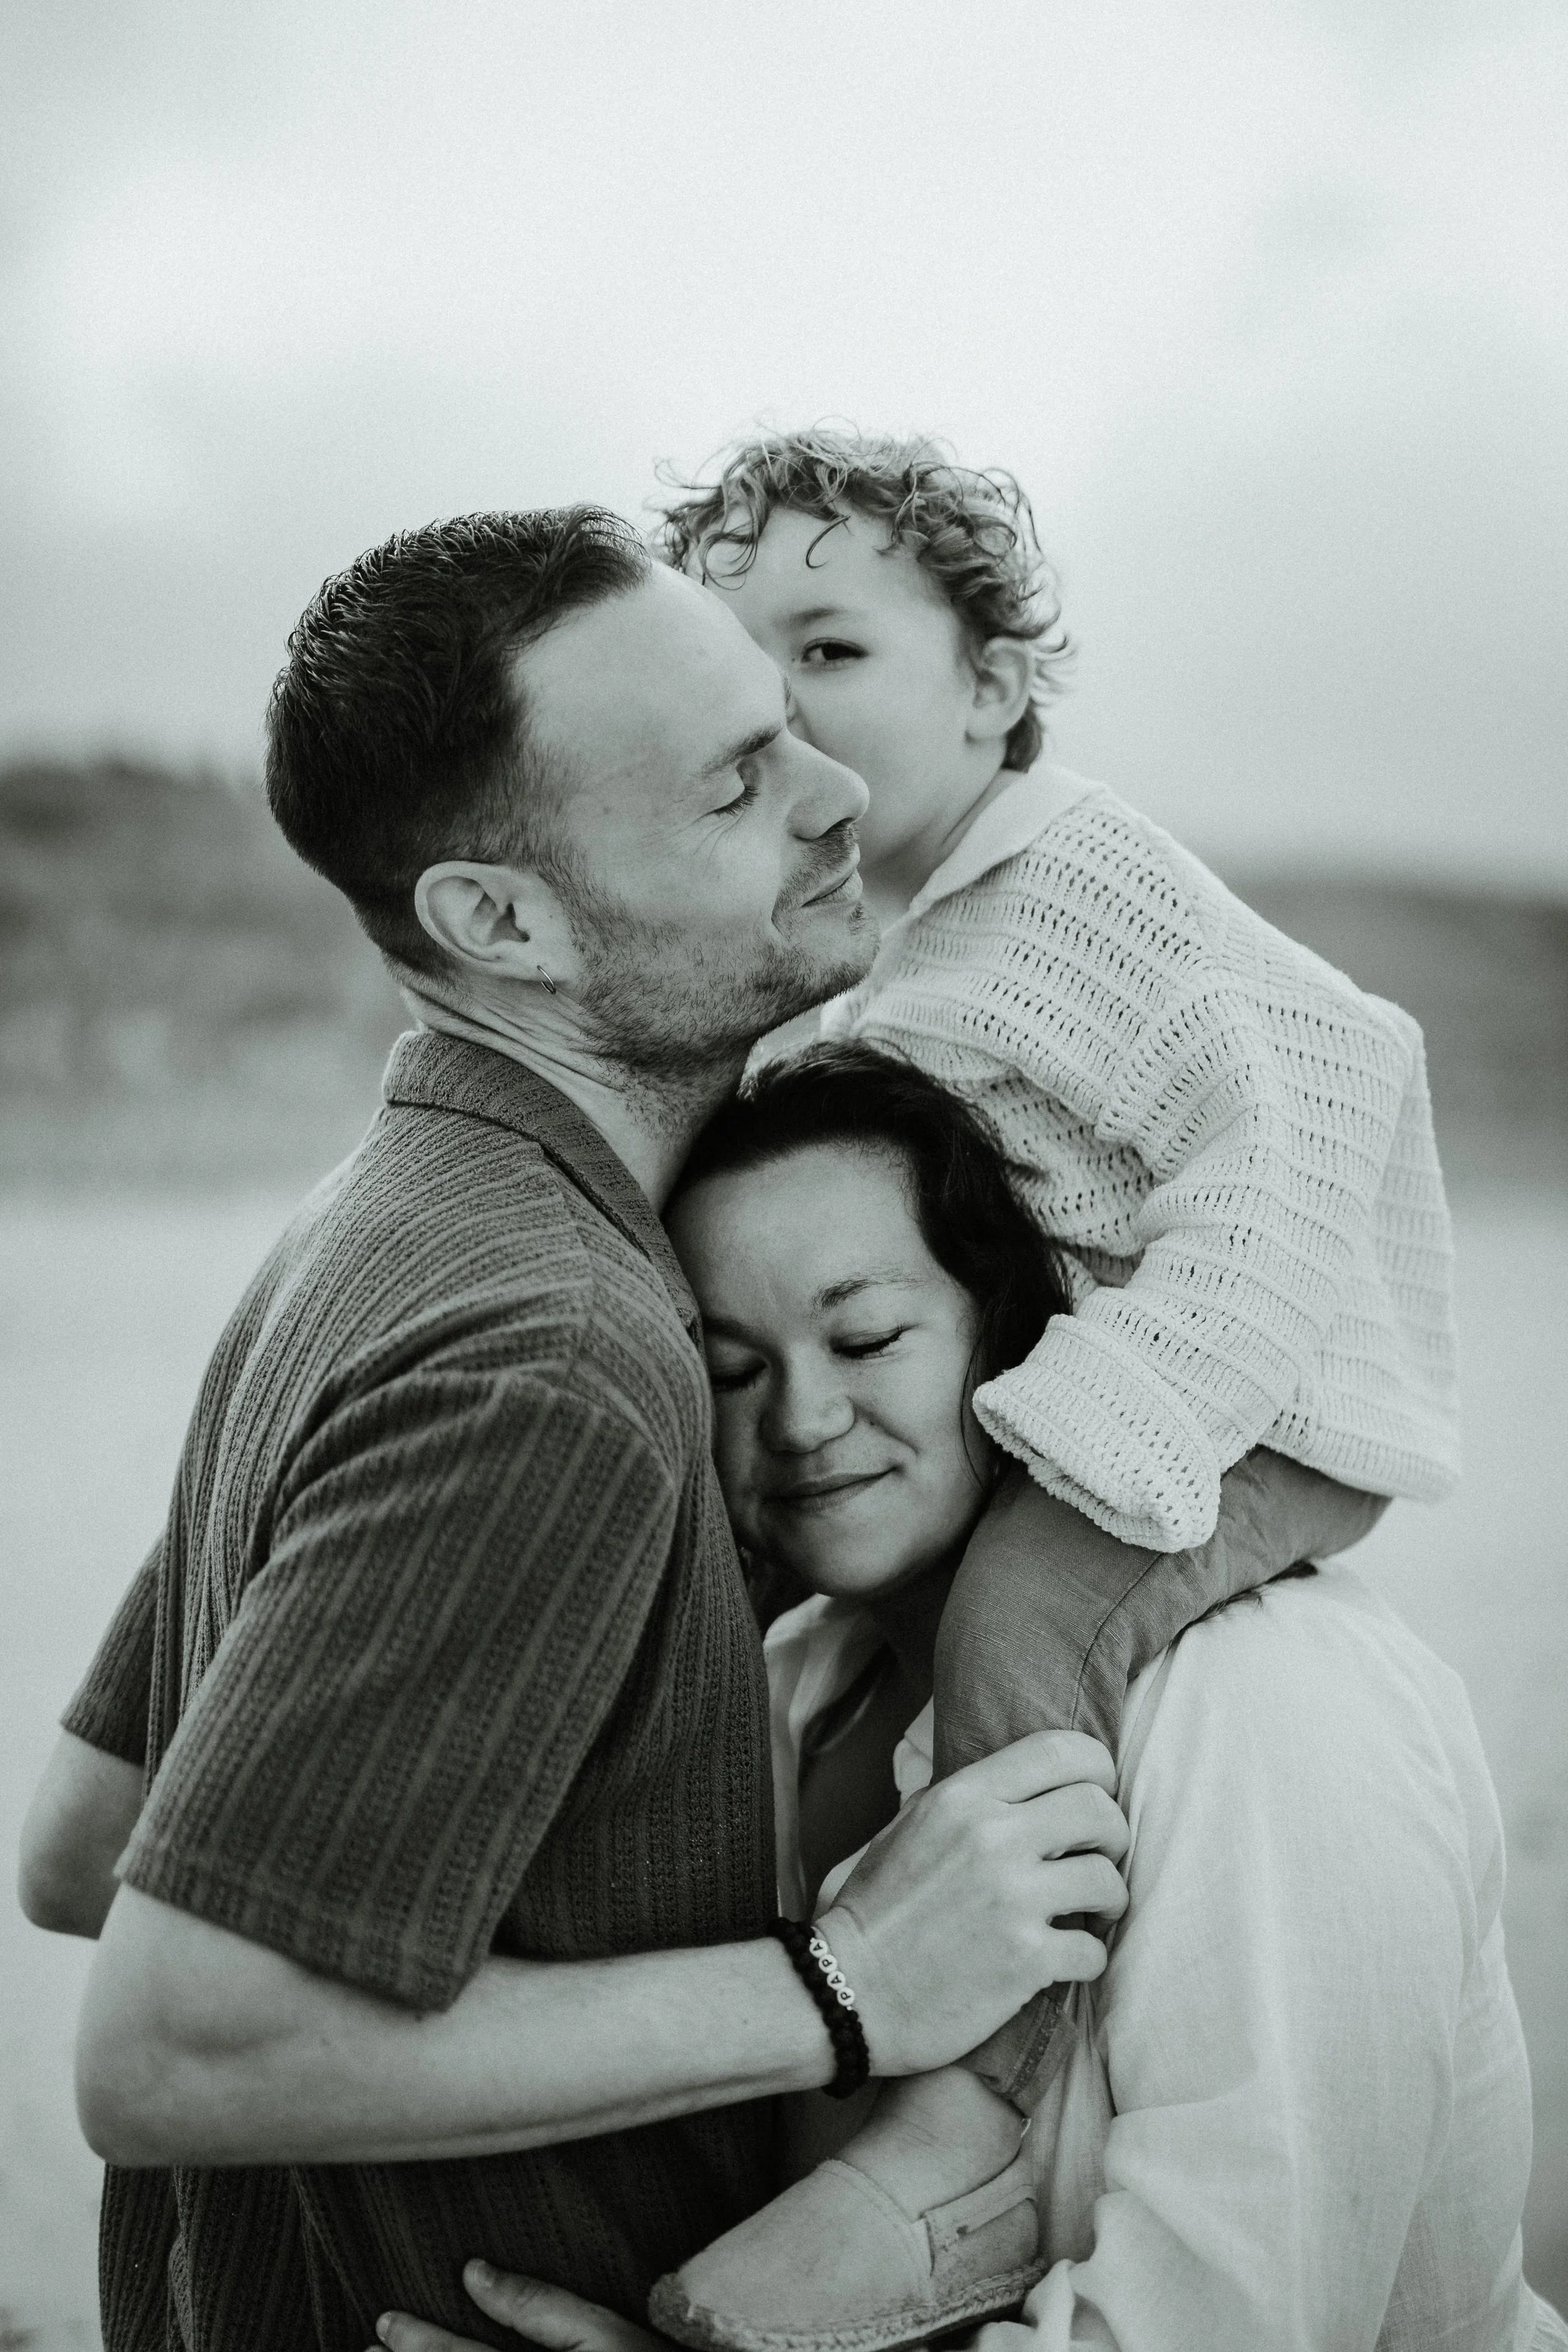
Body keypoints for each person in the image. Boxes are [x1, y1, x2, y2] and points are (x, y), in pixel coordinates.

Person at [18, 511, 1131, 2351]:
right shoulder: (549, 1353)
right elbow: (163, 2043)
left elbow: (85, 1834)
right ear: (500, 918)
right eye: (732, 785)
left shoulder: (371, 1223)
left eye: (796, 724)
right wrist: (847, 1980)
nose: (839, 789)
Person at [643, 426, 1462, 2332]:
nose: (784, 722)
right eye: (733, 684)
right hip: (1109, 1403)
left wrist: (1100, 1421)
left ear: (996, 688)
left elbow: (1313, 1108)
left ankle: (979, 2118)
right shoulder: (878, 955)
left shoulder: (1086, 886)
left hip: (1254, 1410)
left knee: (1023, 1610)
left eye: (830, 653)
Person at [370, 1045, 1563, 2352]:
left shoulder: (1265, 1702)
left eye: (865, 1336)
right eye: (730, 1368)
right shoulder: (773, 1699)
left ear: (1008, 1328)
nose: (804, 1417)